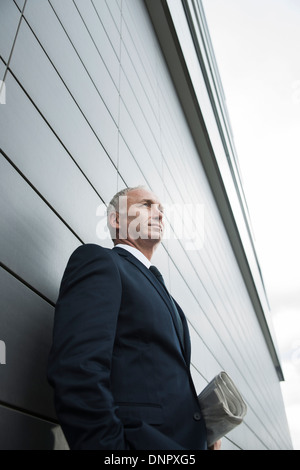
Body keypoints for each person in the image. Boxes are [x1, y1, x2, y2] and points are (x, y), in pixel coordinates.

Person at [47, 186, 221, 450]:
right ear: (116, 220)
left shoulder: (169, 299)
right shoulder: (100, 262)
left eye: (162, 209)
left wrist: (203, 431)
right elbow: (78, 369)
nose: (160, 214)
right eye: (146, 205)